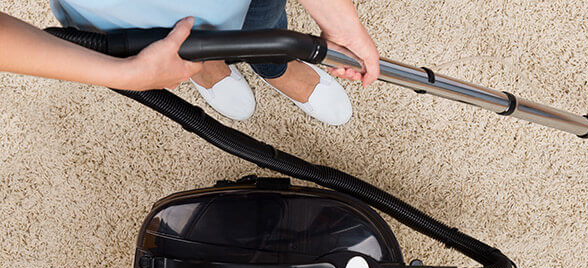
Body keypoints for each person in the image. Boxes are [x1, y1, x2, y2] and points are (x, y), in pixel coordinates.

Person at [1, 0, 378, 125]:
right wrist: (122, 73)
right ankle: (206, 66)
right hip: (125, 14)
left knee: (264, 23)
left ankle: (274, 66)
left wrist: (338, 17)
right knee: (176, 45)